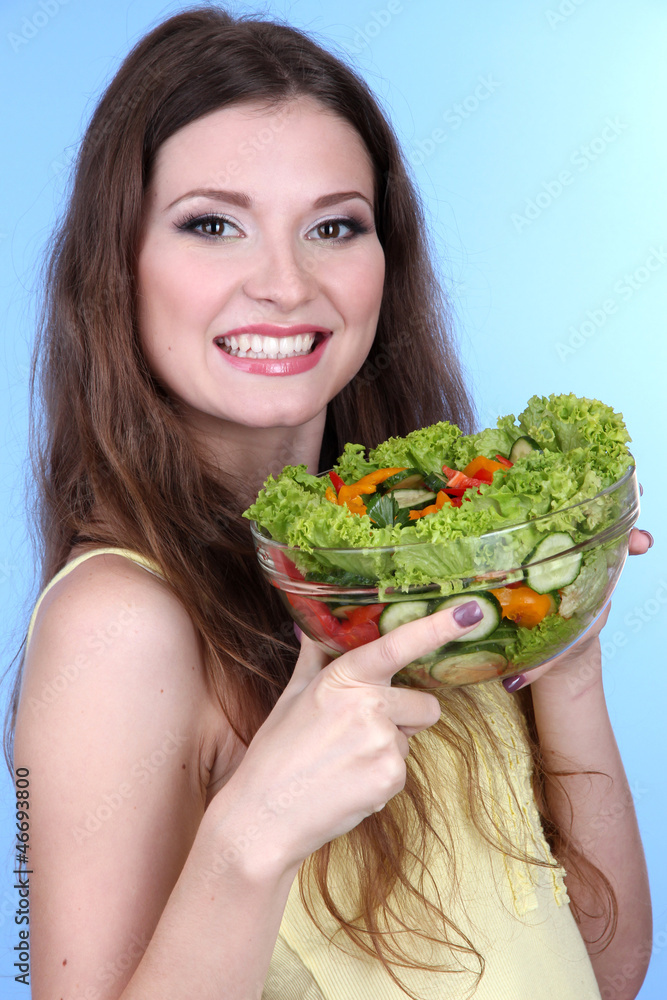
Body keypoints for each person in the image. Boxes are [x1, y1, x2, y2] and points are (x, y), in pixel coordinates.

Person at [5, 7, 653, 999]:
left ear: (384, 264)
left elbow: (600, 972)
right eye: (213, 224)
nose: (284, 282)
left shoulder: (420, 559)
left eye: (334, 225)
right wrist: (251, 833)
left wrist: (565, 659)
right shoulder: (121, 625)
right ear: (118, 264)